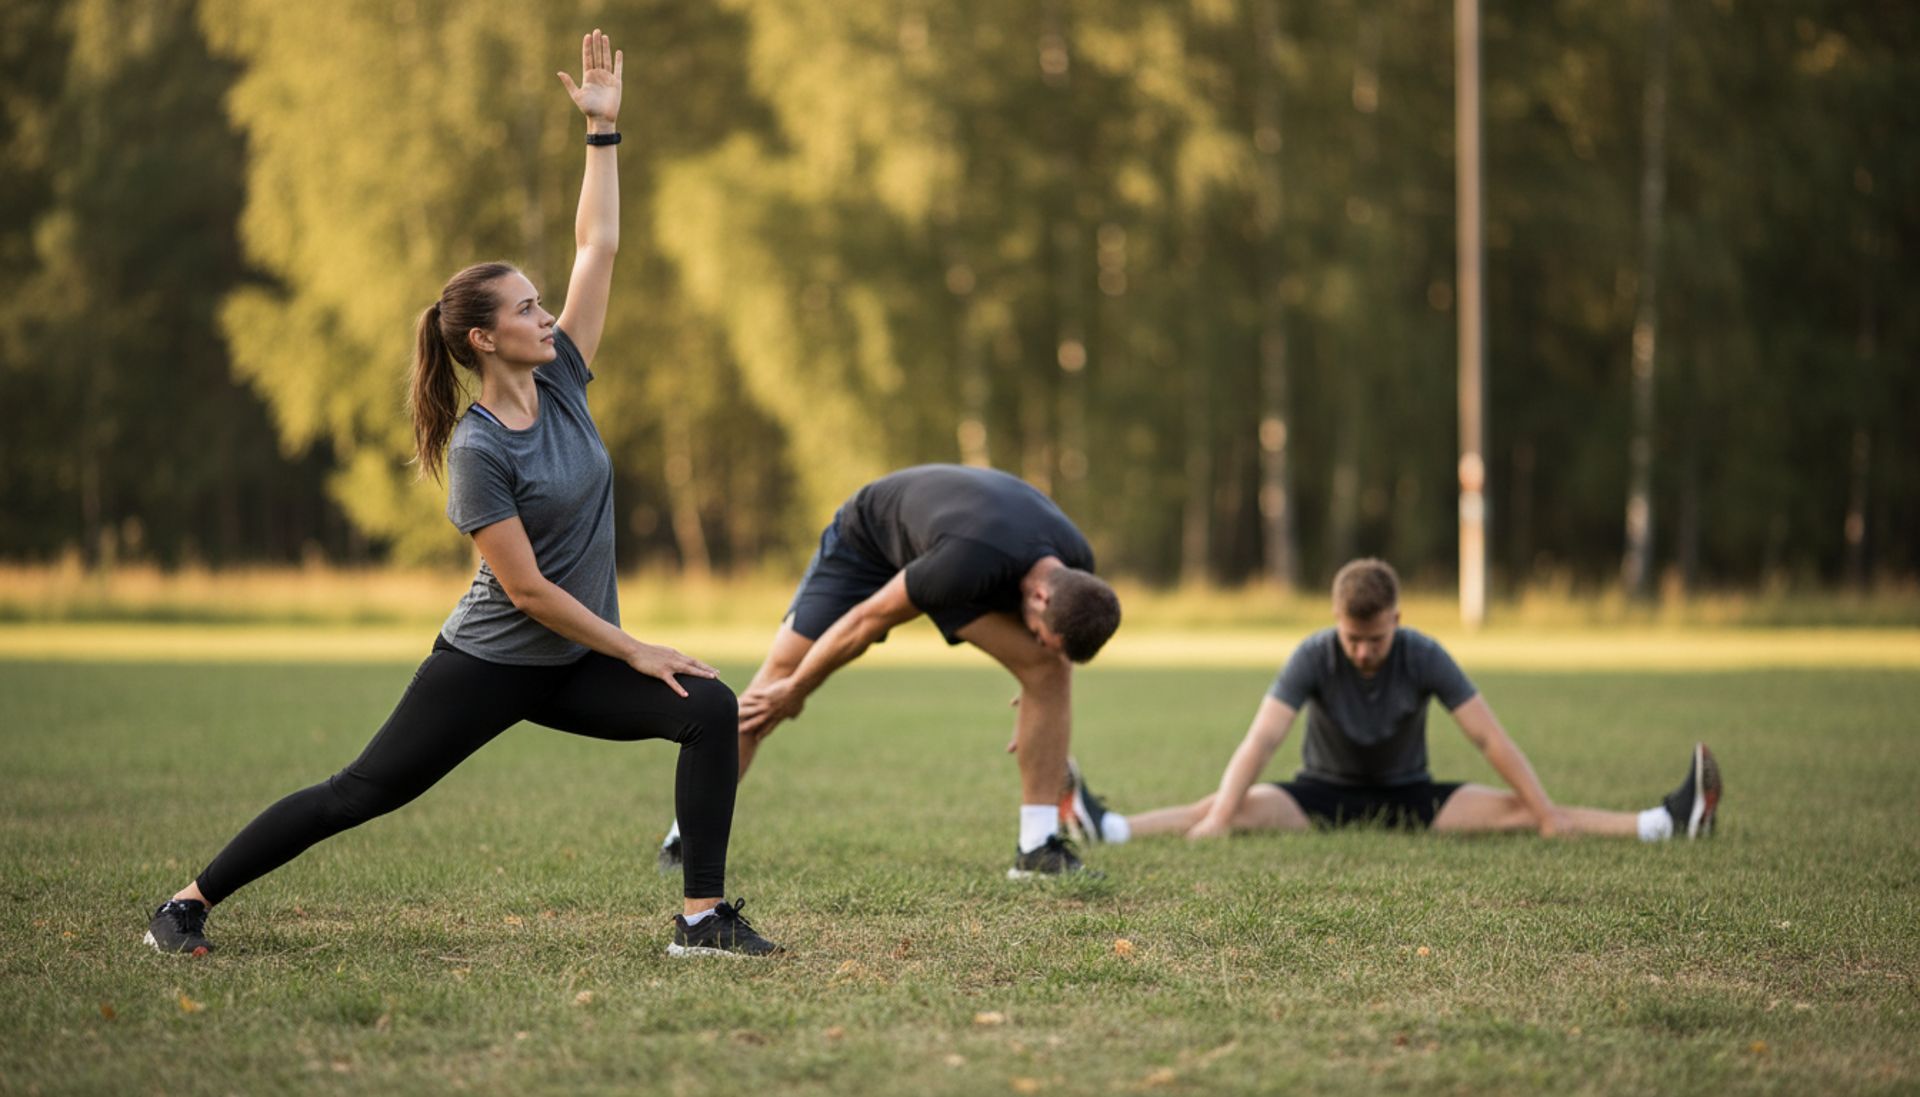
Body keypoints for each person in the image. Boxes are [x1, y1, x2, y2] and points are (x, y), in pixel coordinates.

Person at [144, 30, 778, 959]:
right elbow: (524, 592)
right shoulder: (479, 451)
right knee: (359, 791)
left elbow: (597, 243)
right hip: (491, 663)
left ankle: (700, 920)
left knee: (708, 706)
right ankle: (188, 902)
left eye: (537, 301)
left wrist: (603, 135)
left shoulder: (563, 376)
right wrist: (635, 647)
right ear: (483, 340)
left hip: (571, 660)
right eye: (525, 307)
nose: (544, 313)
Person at [656, 464, 1123, 878]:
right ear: (1041, 598)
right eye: (1040, 632)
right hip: (868, 543)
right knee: (777, 677)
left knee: (1048, 670)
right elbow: (866, 620)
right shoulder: (965, 561)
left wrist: (1038, 691)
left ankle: (1037, 848)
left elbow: (1052, 655)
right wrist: (795, 691)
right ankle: (684, 841)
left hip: (964, 556)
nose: (1037, 640)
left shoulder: (1076, 568)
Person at [1065, 558, 1720, 846]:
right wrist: (1221, 817)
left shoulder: (1425, 654)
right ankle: (1112, 827)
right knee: (1224, 805)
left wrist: (1547, 813)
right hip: (1320, 794)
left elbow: (1489, 738)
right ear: (1335, 623)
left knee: (1529, 810)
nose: (1363, 652)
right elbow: (1261, 740)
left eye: (1375, 638)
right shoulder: (1313, 653)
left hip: (1413, 796)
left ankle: (1663, 821)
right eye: (1353, 638)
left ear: (1397, 620)